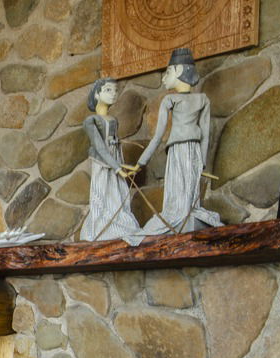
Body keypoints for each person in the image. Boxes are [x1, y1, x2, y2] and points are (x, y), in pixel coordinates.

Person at [124, 47, 221, 236]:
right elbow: (158, 136)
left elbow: (205, 134)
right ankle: (180, 218)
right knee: (176, 195)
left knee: (190, 197)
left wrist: (201, 161)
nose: (163, 78)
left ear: (178, 71)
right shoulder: (170, 100)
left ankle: (187, 216)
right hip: (176, 152)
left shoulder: (202, 100)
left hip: (192, 152)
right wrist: (140, 163)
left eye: (167, 72)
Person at [79, 78, 142, 243]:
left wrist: (121, 165)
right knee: (103, 192)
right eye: (108, 90)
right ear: (97, 93)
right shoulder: (91, 121)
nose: (113, 94)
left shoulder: (113, 120)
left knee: (118, 191)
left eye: (115, 90)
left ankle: (119, 223)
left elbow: (115, 145)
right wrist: (117, 167)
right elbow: (100, 148)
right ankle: (102, 226)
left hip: (115, 160)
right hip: (102, 163)